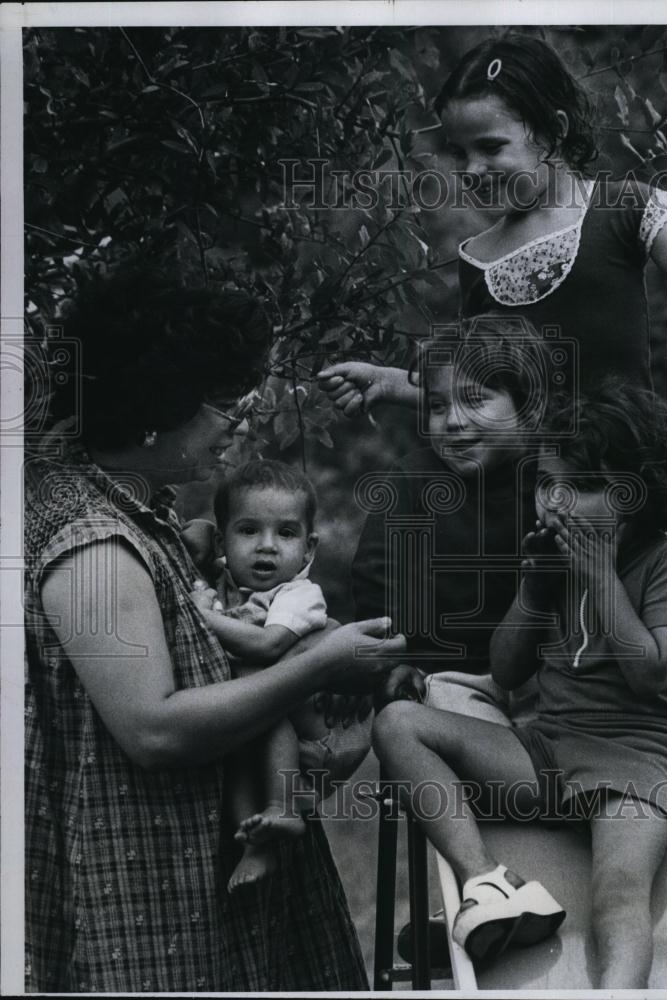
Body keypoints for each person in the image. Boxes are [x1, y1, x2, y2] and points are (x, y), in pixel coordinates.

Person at [24, 264, 404, 993]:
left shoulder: (142, 511)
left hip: (201, 874)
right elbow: (154, 730)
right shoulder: (93, 544)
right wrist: (322, 664)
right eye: (226, 407)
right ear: (157, 405)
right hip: (147, 892)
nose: (238, 428)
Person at [372, 379, 667, 987]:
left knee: (617, 898)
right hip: (548, 753)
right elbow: (507, 671)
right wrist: (532, 589)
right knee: (397, 724)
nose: (555, 502)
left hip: (634, 767)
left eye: (580, 487)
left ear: (636, 495)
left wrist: (602, 576)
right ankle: (487, 884)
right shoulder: (553, 562)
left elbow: (652, 673)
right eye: (548, 483)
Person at [317, 33, 667, 413]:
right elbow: (478, 392)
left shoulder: (625, 209)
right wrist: (390, 382)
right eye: (461, 153)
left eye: (492, 147)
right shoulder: (477, 259)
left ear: (554, 129)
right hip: (534, 503)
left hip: (630, 488)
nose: (472, 170)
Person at [185, 459, 373, 893]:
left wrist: (202, 619)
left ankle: (281, 806)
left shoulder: (298, 595)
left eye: (285, 534)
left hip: (313, 744)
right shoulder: (231, 585)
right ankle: (257, 842)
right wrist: (197, 538)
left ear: (308, 550)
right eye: (248, 531)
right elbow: (192, 541)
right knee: (235, 750)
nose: (266, 546)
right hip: (266, 736)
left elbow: (265, 646)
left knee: (256, 687)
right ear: (224, 539)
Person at [351, 316, 546, 719]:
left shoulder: (552, 481)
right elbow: (377, 578)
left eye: (475, 400)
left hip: (546, 679)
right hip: (437, 679)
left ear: (527, 406)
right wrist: (395, 662)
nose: (453, 421)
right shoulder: (413, 479)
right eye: (438, 406)